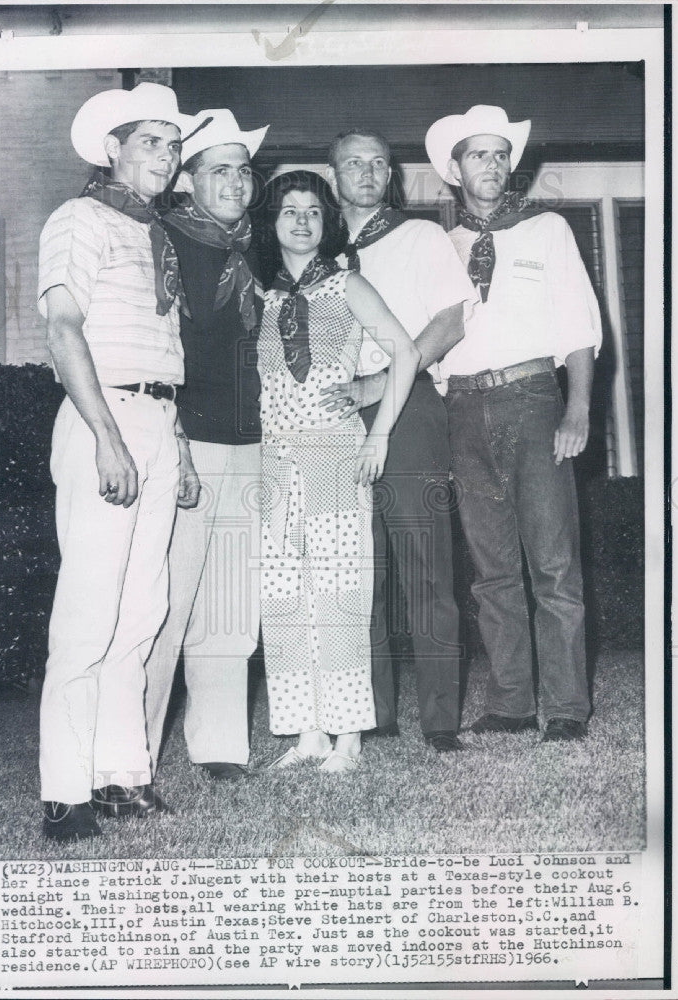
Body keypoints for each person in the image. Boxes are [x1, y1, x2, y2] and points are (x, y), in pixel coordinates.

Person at [37, 83, 202, 841]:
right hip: (105, 419)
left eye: (172, 146)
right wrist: (106, 436)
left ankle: (121, 777)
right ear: (112, 150)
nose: (165, 159)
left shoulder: (155, 233)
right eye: (150, 144)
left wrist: (177, 445)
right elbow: (65, 329)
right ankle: (65, 791)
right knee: (88, 612)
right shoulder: (79, 218)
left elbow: (164, 356)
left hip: (159, 423)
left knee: (141, 611)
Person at [424, 105, 602, 741]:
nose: (493, 166)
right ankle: (510, 703)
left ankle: (565, 708)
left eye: (501, 154)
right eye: (479, 155)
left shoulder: (549, 229)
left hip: (532, 399)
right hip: (463, 407)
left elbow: (579, 327)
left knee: (553, 563)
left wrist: (577, 408)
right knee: (492, 569)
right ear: (456, 169)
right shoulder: (439, 247)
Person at [257, 170, 421, 772]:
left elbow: (405, 352)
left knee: (339, 594)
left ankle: (348, 736)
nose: (301, 222)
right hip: (275, 461)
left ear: (327, 223)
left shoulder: (349, 285)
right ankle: (306, 734)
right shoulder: (261, 295)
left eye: (313, 212)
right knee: (283, 596)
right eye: (288, 211)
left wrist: (376, 423)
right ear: (270, 223)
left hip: (335, 452)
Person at [320, 129, 475, 752]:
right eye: (352, 162)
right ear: (334, 178)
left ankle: (440, 721)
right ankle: (373, 711)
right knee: (360, 572)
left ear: (392, 176)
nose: (367, 171)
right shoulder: (319, 249)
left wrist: (380, 383)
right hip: (332, 419)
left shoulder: (421, 236)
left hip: (407, 409)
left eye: (378, 163)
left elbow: (450, 320)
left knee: (425, 567)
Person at [144, 110, 269, 781]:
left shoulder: (252, 248)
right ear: (188, 180)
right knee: (165, 605)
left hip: (249, 445)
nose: (235, 181)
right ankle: (129, 756)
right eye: (219, 168)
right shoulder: (162, 240)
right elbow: (154, 350)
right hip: (188, 442)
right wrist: (176, 441)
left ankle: (219, 747)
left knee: (228, 604)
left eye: (242, 169)